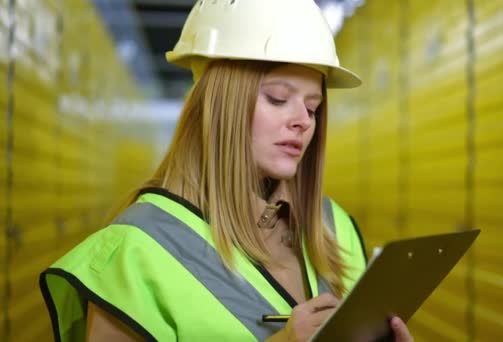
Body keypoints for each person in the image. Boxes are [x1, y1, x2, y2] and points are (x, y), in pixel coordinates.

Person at [39, 0, 414, 341]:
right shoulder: (134, 254)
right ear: (220, 106)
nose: (303, 121)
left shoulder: (336, 226)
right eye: (278, 99)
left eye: (313, 107)